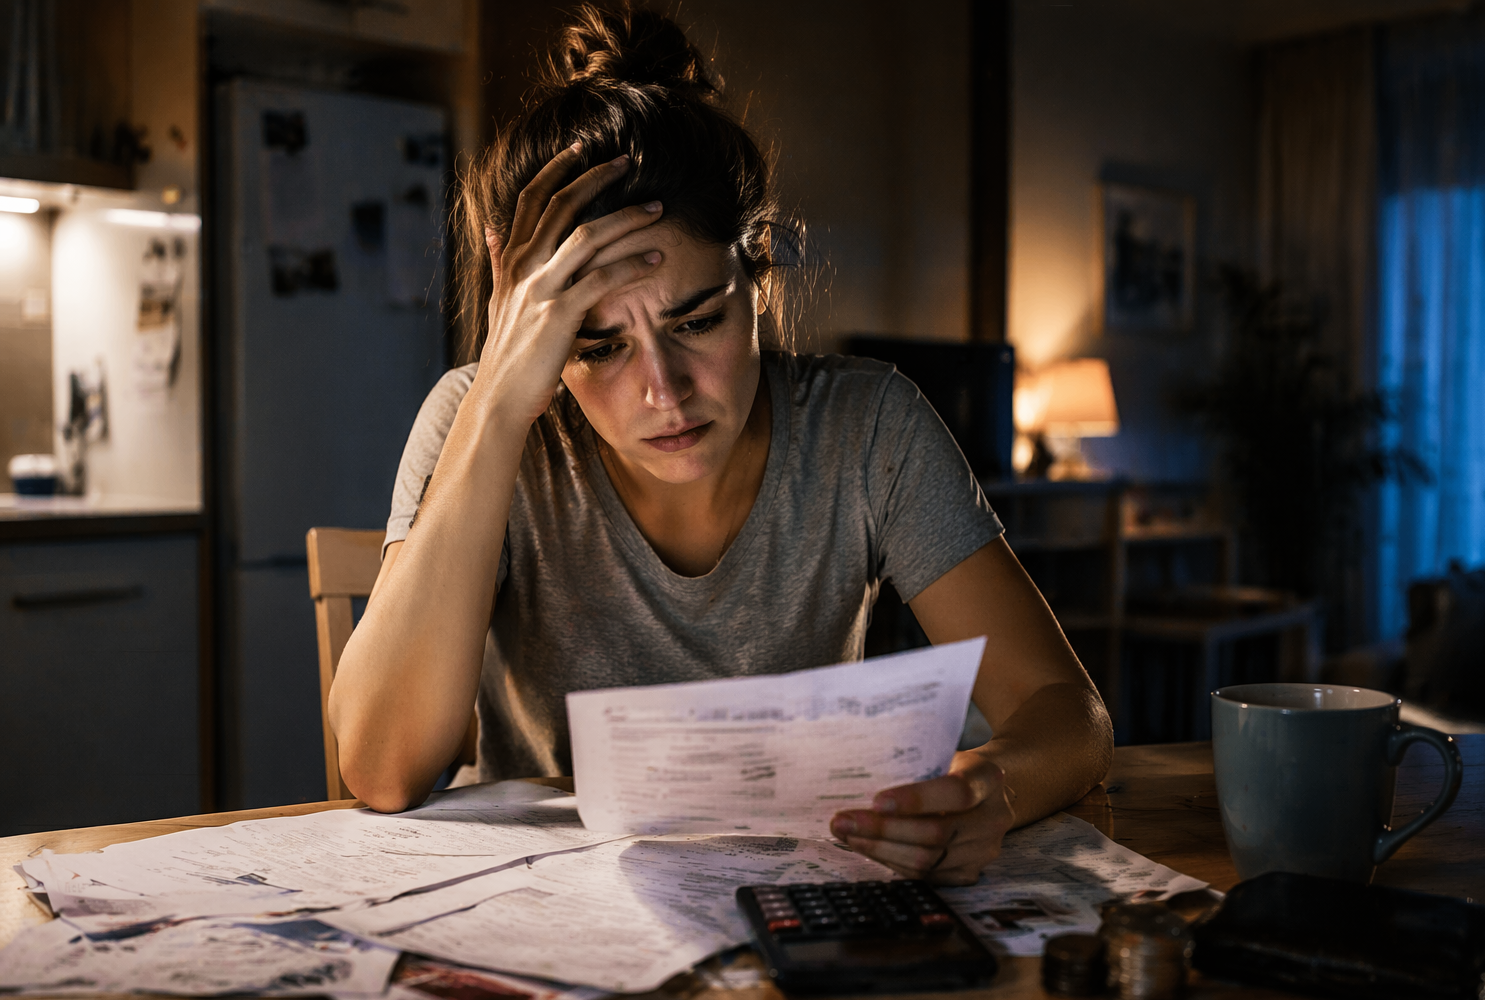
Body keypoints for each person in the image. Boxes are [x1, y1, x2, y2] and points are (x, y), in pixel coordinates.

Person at [328, 2, 1112, 886]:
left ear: (759, 280)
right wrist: (502, 405)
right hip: (544, 903)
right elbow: (380, 768)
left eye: (697, 319)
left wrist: (989, 791)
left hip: (793, 891)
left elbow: (1066, 711)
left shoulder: (869, 427)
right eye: (597, 346)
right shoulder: (477, 417)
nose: (664, 391)